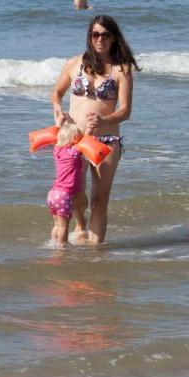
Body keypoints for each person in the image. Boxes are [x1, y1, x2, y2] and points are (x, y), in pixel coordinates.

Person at [49, 15, 138, 244]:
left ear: (113, 38)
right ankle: (80, 226)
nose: (100, 39)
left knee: (100, 200)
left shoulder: (122, 69)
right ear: (90, 36)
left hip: (106, 140)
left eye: (105, 35)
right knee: (73, 193)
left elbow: (126, 110)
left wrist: (104, 119)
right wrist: (58, 109)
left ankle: (95, 255)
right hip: (75, 138)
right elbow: (56, 93)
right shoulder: (74, 63)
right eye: (95, 34)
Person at [46, 120, 86, 246]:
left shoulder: (57, 151)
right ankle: (62, 247)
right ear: (75, 139)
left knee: (57, 225)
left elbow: (56, 137)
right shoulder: (74, 153)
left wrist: (59, 123)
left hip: (52, 194)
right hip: (64, 195)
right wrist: (90, 128)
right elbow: (84, 143)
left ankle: (53, 243)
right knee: (64, 227)